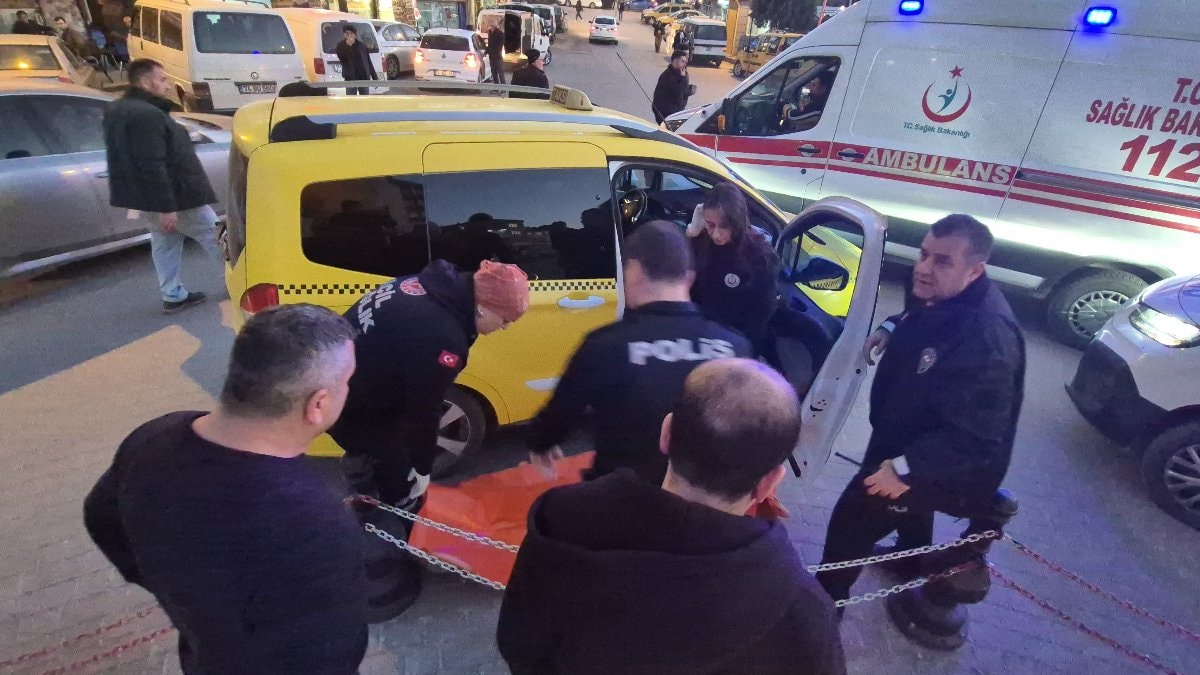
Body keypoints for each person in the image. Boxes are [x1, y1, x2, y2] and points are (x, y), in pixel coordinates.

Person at [498, 359, 846, 675]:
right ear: (770, 481)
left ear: (666, 433)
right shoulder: (804, 609)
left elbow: (519, 643)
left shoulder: (561, 517)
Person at [83, 304, 368, 674]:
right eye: (347, 381)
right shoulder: (313, 523)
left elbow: (99, 517)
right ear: (318, 405)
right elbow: (332, 653)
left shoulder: (152, 438)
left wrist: (177, 595)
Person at [815, 215, 1025, 606]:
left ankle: (825, 604)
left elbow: (978, 437)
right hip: (903, 435)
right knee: (910, 509)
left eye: (942, 261)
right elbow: (922, 315)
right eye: (924, 254)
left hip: (926, 461)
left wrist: (906, 469)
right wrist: (892, 327)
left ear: (975, 269)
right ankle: (909, 560)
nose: (924, 268)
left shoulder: (987, 338)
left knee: (852, 519)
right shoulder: (943, 290)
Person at [526, 221, 752, 484]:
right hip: (704, 501)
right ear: (689, 277)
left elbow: (558, 416)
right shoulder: (735, 346)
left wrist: (540, 442)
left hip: (621, 497)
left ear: (634, 271)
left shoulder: (605, 347)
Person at [329, 260, 529, 510]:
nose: (506, 327)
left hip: (337, 382)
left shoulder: (420, 283)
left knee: (364, 457)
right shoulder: (443, 338)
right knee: (398, 481)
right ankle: (383, 516)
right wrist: (422, 467)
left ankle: (361, 490)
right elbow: (424, 409)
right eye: (505, 319)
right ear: (483, 308)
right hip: (359, 406)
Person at [103, 58, 221, 314]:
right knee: (218, 236)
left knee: (165, 243)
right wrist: (166, 207)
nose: (168, 86)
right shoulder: (147, 115)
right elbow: (152, 163)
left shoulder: (118, 109)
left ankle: (173, 294)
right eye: (163, 79)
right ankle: (244, 283)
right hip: (178, 195)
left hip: (152, 196)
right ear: (147, 82)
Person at [685, 182, 779, 351]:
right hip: (699, 336)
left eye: (724, 226)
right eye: (710, 224)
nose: (716, 234)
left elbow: (759, 316)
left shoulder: (760, 257)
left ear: (737, 222)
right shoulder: (700, 243)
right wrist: (692, 233)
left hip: (735, 342)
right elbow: (684, 284)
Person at [334, 24, 376, 95]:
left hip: (363, 77)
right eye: (347, 33)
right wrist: (348, 46)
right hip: (350, 78)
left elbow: (368, 62)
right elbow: (342, 58)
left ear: (355, 35)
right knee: (351, 99)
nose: (349, 35)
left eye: (351, 33)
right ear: (344, 35)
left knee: (365, 98)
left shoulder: (361, 45)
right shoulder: (340, 46)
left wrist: (374, 77)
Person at [651, 50, 691, 124]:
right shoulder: (668, 76)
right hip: (666, 113)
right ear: (675, 61)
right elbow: (678, 92)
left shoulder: (681, 73)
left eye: (685, 62)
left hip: (677, 110)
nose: (685, 64)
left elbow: (683, 90)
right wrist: (683, 79)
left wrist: (690, 90)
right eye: (682, 61)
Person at [486, 19, 505, 84]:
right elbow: (489, 44)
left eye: (491, 25)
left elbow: (501, 43)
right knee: (494, 73)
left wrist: (495, 50)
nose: (489, 26)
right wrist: (486, 51)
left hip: (497, 57)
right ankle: (496, 87)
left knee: (501, 74)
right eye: (489, 24)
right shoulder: (490, 33)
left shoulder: (499, 33)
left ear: (494, 26)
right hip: (491, 57)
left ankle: (504, 88)